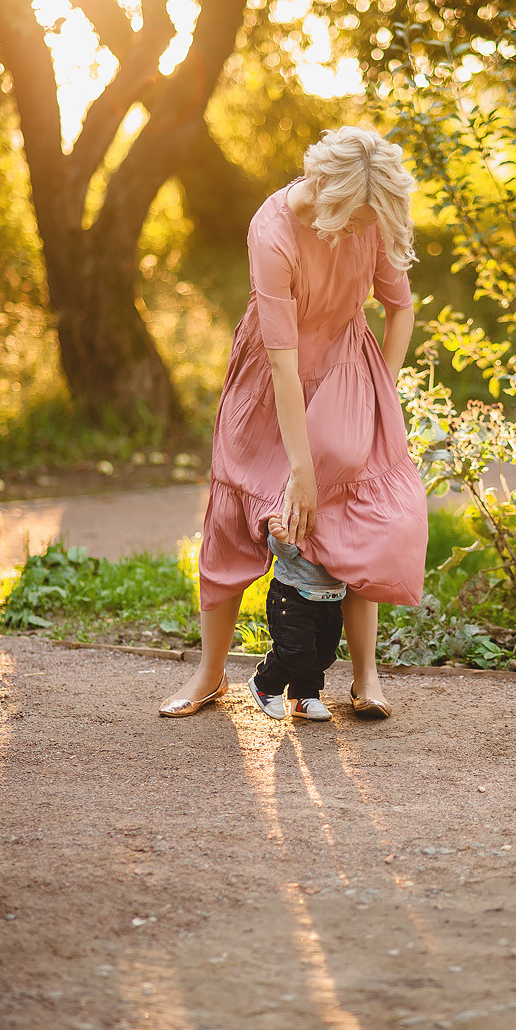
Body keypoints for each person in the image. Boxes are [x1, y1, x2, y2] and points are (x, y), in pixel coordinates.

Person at [159, 125, 428, 722]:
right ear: (329, 192)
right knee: (235, 514)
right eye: (355, 221)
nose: (361, 231)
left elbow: (401, 307)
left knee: (353, 514)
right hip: (270, 378)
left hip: (346, 369)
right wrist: (300, 469)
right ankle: (210, 675)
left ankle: (366, 677)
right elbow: (283, 363)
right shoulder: (273, 230)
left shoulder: (369, 215)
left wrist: (376, 391)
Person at [247, 514, 345, 723]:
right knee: (297, 650)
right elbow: (282, 551)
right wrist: (282, 538)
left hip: (332, 597)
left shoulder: (345, 509)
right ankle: (265, 684)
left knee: (323, 653)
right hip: (294, 595)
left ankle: (304, 695)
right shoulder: (299, 506)